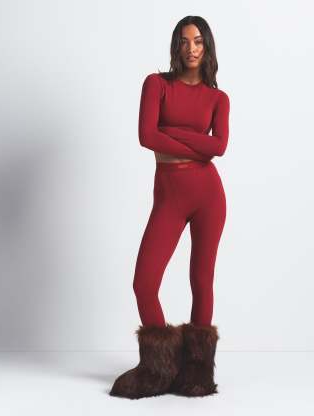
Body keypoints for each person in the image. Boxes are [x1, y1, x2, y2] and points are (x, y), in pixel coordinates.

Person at [110, 15, 230, 399]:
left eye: (198, 41)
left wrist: (171, 133)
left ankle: (196, 374)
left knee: (201, 281)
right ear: (176, 46)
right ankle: (159, 368)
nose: (191, 48)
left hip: (209, 195)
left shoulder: (218, 99)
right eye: (184, 41)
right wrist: (195, 141)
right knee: (144, 283)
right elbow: (147, 136)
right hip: (170, 196)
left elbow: (219, 147)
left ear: (207, 47)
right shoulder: (157, 84)